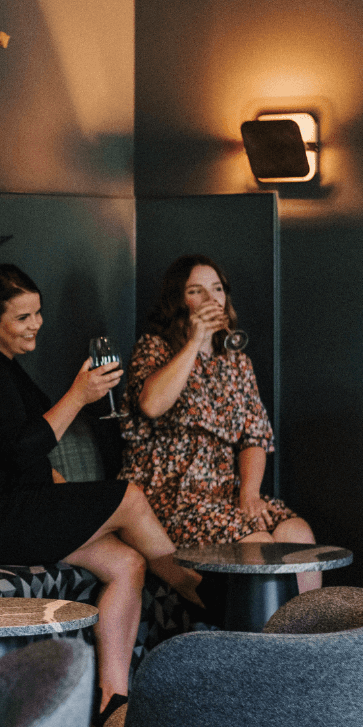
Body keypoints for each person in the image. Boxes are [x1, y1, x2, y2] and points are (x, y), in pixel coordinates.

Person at [0, 264, 203, 727]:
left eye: (38, 313)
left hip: (13, 510)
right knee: (131, 498)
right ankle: (202, 593)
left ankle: (112, 704)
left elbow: (23, 449)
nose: (36, 324)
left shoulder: (3, 367)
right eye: (23, 318)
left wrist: (63, 484)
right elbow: (22, 446)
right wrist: (78, 395)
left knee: (126, 563)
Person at [120, 255, 319, 605]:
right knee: (262, 546)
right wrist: (194, 343)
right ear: (178, 300)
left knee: (297, 533)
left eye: (217, 289)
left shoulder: (237, 360)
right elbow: (152, 404)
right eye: (196, 291)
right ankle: (260, 648)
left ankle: (302, 642)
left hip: (224, 494)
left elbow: (254, 435)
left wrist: (250, 494)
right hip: (172, 495)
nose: (211, 299)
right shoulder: (154, 348)